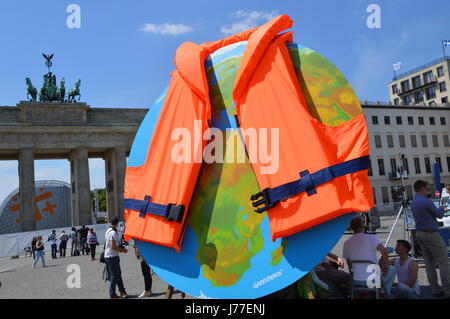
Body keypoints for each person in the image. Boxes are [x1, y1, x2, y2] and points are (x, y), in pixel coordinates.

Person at [410, 180, 450, 297]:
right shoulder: (425, 201)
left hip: (420, 233)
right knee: (443, 261)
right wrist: (443, 209)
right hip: (430, 233)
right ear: (422, 188)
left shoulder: (414, 202)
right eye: (427, 189)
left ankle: (435, 289)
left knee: (429, 264)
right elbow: (439, 215)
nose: (428, 191)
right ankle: (447, 289)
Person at [343, 216, 396, 298]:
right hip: (373, 280)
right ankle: (382, 293)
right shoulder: (371, 238)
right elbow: (384, 251)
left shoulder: (346, 243)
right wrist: (386, 266)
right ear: (363, 226)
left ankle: (366, 293)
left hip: (356, 280)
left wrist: (354, 272)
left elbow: (348, 262)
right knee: (392, 269)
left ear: (351, 228)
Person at [104, 217, 129, 299]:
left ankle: (122, 291)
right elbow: (112, 246)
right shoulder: (113, 233)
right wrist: (122, 250)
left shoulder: (109, 230)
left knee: (117, 274)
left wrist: (120, 246)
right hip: (112, 256)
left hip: (111, 256)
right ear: (117, 223)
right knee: (115, 275)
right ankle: (112, 294)